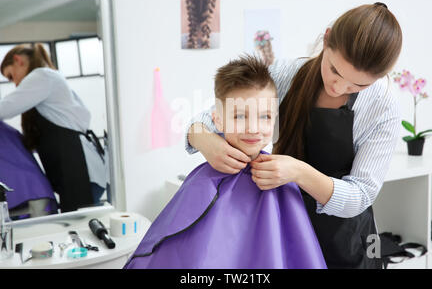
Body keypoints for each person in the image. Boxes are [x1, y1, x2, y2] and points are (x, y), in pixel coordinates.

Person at [184, 3, 403, 269]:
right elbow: (208, 119)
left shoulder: (383, 107)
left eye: (358, 84)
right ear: (326, 38)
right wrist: (205, 140)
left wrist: (299, 172)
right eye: (334, 70)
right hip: (285, 229)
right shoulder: (286, 75)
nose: (339, 86)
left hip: (350, 244)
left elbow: (361, 196)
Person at [124, 55, 327, 269]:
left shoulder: (283, 176)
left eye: (265, 116)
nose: (254, 128)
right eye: (240, 116)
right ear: (217, 119)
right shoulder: (204, 181)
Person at [0, 43, 110, 212]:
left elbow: (5, 108)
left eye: (11, 75)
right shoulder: (47, 80)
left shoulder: (42, 76)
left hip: (78, 166)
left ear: (18, 60)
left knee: (80, 225)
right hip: (75, 166)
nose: (14, 83)